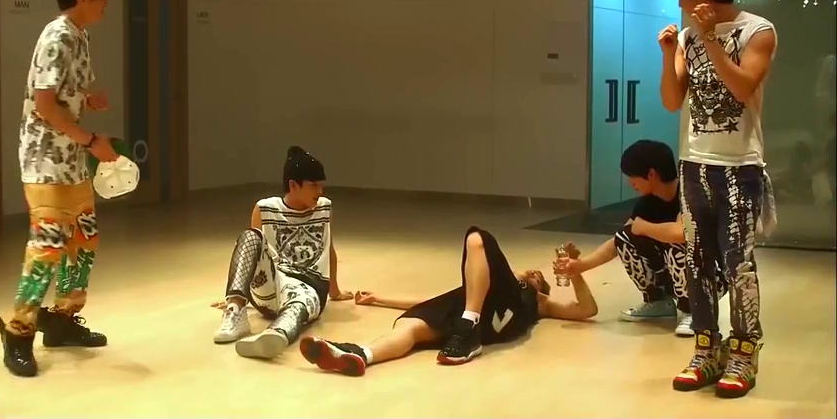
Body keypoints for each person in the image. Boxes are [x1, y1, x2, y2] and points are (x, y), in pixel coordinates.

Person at [659, 0, 778, 398]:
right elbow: (672, 101)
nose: (681, 4)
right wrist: (670, 54)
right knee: (697, 261)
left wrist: (711, 38)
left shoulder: (758, 30)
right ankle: (706, 348)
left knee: (738, 263)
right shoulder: (687, 36)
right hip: (694, 162)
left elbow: (743, 87)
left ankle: (744, 351)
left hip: (740, 165)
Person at [0, 0, 119, 377]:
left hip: (70, 160)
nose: (106, 5)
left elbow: (64, 93)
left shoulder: (80, 37)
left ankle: (62, 320)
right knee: (48, 245)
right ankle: (18, 332)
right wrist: (91, 139)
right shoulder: (57, 36)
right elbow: (44, 104)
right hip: (45, 160)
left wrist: (88, 100)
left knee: (84, 238)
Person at [297, 227, 597, 376]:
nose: (533, 273)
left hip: (488, 317)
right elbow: (431, 300)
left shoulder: (535, 300)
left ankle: (469, 327)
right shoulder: (475, 290)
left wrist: (576, 272)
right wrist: (379, 298)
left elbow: (586, 309)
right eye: (531, 271)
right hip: (461, 314)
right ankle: (362, 354)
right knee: (410, 329)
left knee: (477, 237)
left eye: (537, 276)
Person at [564, 140, 726, 337]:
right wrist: (581, 266)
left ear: (651, 174)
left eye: (633, 176)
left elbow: (680, 233)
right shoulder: (648, 203)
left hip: (710, 278)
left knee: (675, 242)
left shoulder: (689, 193)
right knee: (625, 237)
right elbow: (618, 242)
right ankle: (658, 301)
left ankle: (694, 310)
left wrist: (643, 227)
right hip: (675, 275)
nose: (630, 183)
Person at [211, 146, 353, 359]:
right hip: (272, 283)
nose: (320, 191)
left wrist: (335, 291)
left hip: (310, 286)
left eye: (321, 185)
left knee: (300, 304)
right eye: (314, 185)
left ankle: (275, 335)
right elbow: (255, 252)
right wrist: (239, 292)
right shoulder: (265, 208)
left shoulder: (324, 207)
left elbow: (328, 248)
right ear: (293, 185)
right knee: (250, 236)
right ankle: (235, 311)